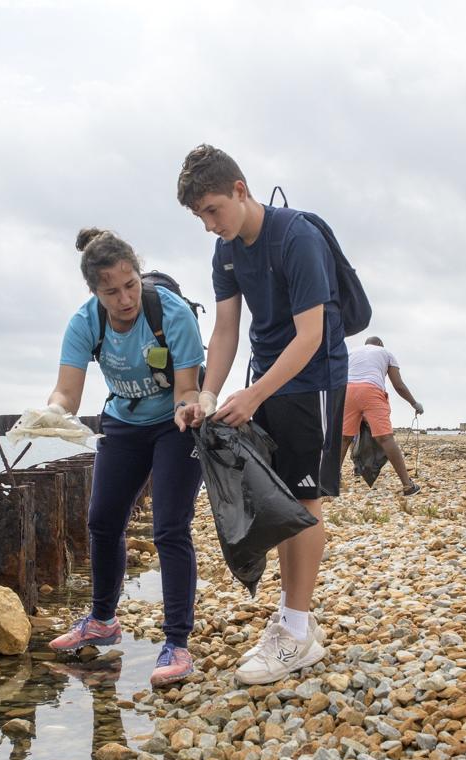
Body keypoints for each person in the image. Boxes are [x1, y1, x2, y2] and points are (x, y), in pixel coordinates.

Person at [175, 144, 344, 685]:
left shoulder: (296, 236)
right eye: (199, 215)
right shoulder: (225, 252)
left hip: (313, 377)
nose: (208, 224)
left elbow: (312, 335)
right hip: (267, 376)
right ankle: (295, 620)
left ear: (240, 190)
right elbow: (226, 330)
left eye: (212, 210)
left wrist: (252, 396)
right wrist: (208, 394)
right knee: (277, 496)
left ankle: (295, 631)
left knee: (305, 497)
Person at [42, 228, 206, 688]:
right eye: (111, 291)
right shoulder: (84, 322)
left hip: (177, 421)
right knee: (102, 521)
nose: (126, 298)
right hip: (124, 421)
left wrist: (187, 410)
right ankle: (101, 619)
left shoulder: (170, 312)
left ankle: (177, 642)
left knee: (170, 526)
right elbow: (67, 393)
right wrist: (50, 414)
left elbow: (187, 388)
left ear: (138, 275)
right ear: (94, 291)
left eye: (130, 284)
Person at [340, 336, 423, 495]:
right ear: (379, 344)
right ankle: (408, 485)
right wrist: (414, 403)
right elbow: (398, 385)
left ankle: (332, 482)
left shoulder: (351, 352)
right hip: (372, 391)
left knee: (344, 438)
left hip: (347, 391)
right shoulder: (386, 352)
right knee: (385, 438)